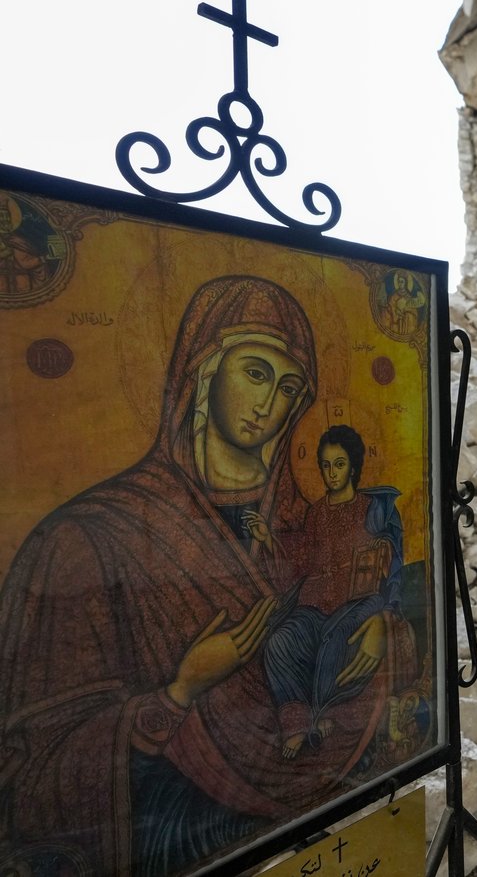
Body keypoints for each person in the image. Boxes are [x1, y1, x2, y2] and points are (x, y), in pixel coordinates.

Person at [0, 276, 395, 876]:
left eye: (289, 386)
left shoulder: (300, 517)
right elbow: (32, 769)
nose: (270, 402)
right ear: (205, 372)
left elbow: (349, 588)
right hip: (179, 837)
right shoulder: (88, 538)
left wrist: (384, 624)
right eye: (255, 372)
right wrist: (180, 691)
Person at [259, 425, 408, 761]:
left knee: (335, 639)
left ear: (353, 467)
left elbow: (396, 561)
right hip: (315, 603)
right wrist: (269, 540)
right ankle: (297, 722)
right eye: (325, 465)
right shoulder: (316, 513)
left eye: (339, 465)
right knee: (279, 642)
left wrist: (389, 609)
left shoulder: (375, 508)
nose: (332, 473)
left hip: (360, 599)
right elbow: (304, 564)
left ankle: (326, 712)